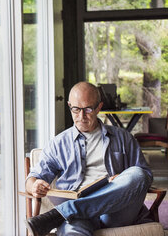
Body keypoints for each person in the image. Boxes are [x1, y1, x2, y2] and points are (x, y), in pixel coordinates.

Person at [24, 81, 153, 236]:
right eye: (76, 109)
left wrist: (122, 179)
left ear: (99, 107)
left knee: (137, 174)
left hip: (115, 212)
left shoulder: (123, 137)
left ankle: (64, 212)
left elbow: (145, 177)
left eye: (88, 109)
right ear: (69, 105)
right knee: (72, 230)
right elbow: (32, 179)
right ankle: (70, 211)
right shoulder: (58, 144)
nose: (81, 116)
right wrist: (34, 186)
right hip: (78, 219)